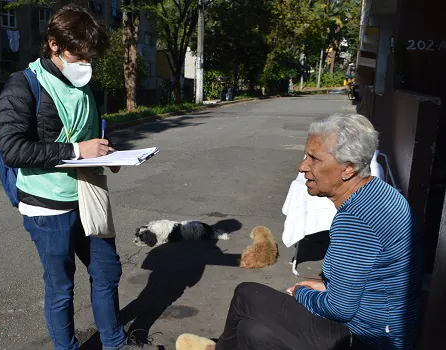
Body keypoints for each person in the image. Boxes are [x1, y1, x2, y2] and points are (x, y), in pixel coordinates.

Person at [176, 113, 422, 350]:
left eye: (314, 158)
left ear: (347, 169)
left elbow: (339, 308)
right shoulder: (379, 192)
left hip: (365, 339)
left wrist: (301, 292)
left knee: (247, 294)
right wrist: (324, 286)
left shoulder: (356, 219)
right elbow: (367, 279)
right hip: (377, 329)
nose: (302, 166)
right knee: (251, 332)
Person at [0, 5, 159, 350]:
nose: (85, 63)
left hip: (88, 194)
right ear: (53, 44)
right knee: (61, 288)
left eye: (90, 57)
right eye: (78, 54)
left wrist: (109, 154)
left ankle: (114, 343)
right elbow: (13, 149)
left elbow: (90, 134)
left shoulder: (81, 84)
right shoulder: (22, 86)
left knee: (108, 271)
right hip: (46, 206)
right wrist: (76, 151)